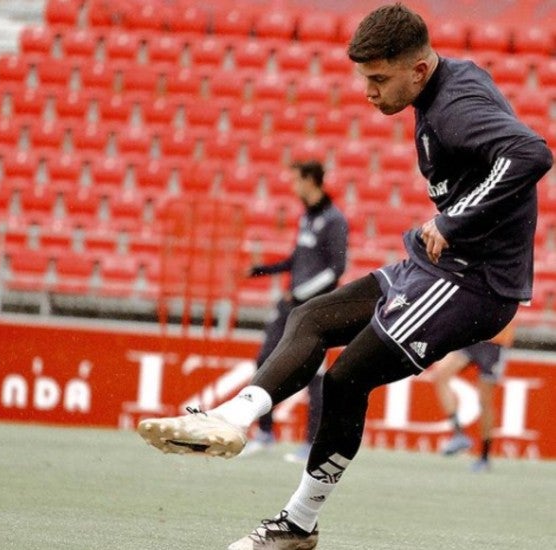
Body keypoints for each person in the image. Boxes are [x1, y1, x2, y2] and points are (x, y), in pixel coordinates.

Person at [138, 4, 553, 549]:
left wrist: (455, 217)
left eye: (379, 79)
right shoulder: (450, 85)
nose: (367, 91)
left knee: (345, 378)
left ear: (420, 70)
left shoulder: (453, 106)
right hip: (431, 267)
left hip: (470, 283)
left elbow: (530, 153)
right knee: (310, 316)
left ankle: (296, 524)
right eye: (364, 77)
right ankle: (236, 418)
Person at [242, 159, 348, 462]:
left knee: (314, 374)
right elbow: (297, 259)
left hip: (314, 309)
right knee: (265, 360)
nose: (292, 186)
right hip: (289, 306)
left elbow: (335, 269)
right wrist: (263, 270)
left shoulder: (334, 220)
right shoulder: (308, 217)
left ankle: (312, 443)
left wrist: (301, 294)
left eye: (296, 180)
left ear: (311, 180)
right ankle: (265, 432)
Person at [432, 322, 515, 471]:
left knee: (485, 400)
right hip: (473, 337)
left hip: (495, 341)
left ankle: (484, 456)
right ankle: (458, 434)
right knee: (441, 375)